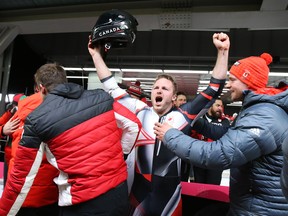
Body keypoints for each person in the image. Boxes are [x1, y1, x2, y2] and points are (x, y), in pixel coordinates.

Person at [88, 31, 230, 215]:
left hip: (169, 198)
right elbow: (110, 85)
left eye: (165, 88)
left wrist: (223, 51)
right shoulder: (139, 109)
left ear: (173, 96)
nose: (159, 91)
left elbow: (214, 88)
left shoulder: (184, 115)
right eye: (156, 87)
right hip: (137, 195)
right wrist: (95, 55)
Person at [154, 53, 288, 215]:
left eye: (232, 80)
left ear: (247, 81)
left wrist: (171, 135)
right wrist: (195, 120)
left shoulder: (263, 117)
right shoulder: (259, 110)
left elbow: (219, 154)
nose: (229, 85)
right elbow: (227, 134)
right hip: (253, 204)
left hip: (261, 209)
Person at [0, 63, 141, 216]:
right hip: (117, 194)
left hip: (80, 202)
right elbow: (133, 125)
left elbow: (21, 178)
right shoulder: (101, 97)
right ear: (64, 81)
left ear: (41, 88)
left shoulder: (37, 119)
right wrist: (122, 155)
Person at [2, 92, 60, 216]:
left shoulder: (24, 115)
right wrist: (3, 129)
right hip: (47, 191)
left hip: (20, 174)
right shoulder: (58, 114)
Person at [192, 98, 230, 185]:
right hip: (199, 159)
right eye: (217, 105)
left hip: (216, 161)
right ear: (210, 106)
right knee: (198, 187)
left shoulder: (225, 122)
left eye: (221, 106)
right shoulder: (199, 119)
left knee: (213, 187)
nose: (220, 108)